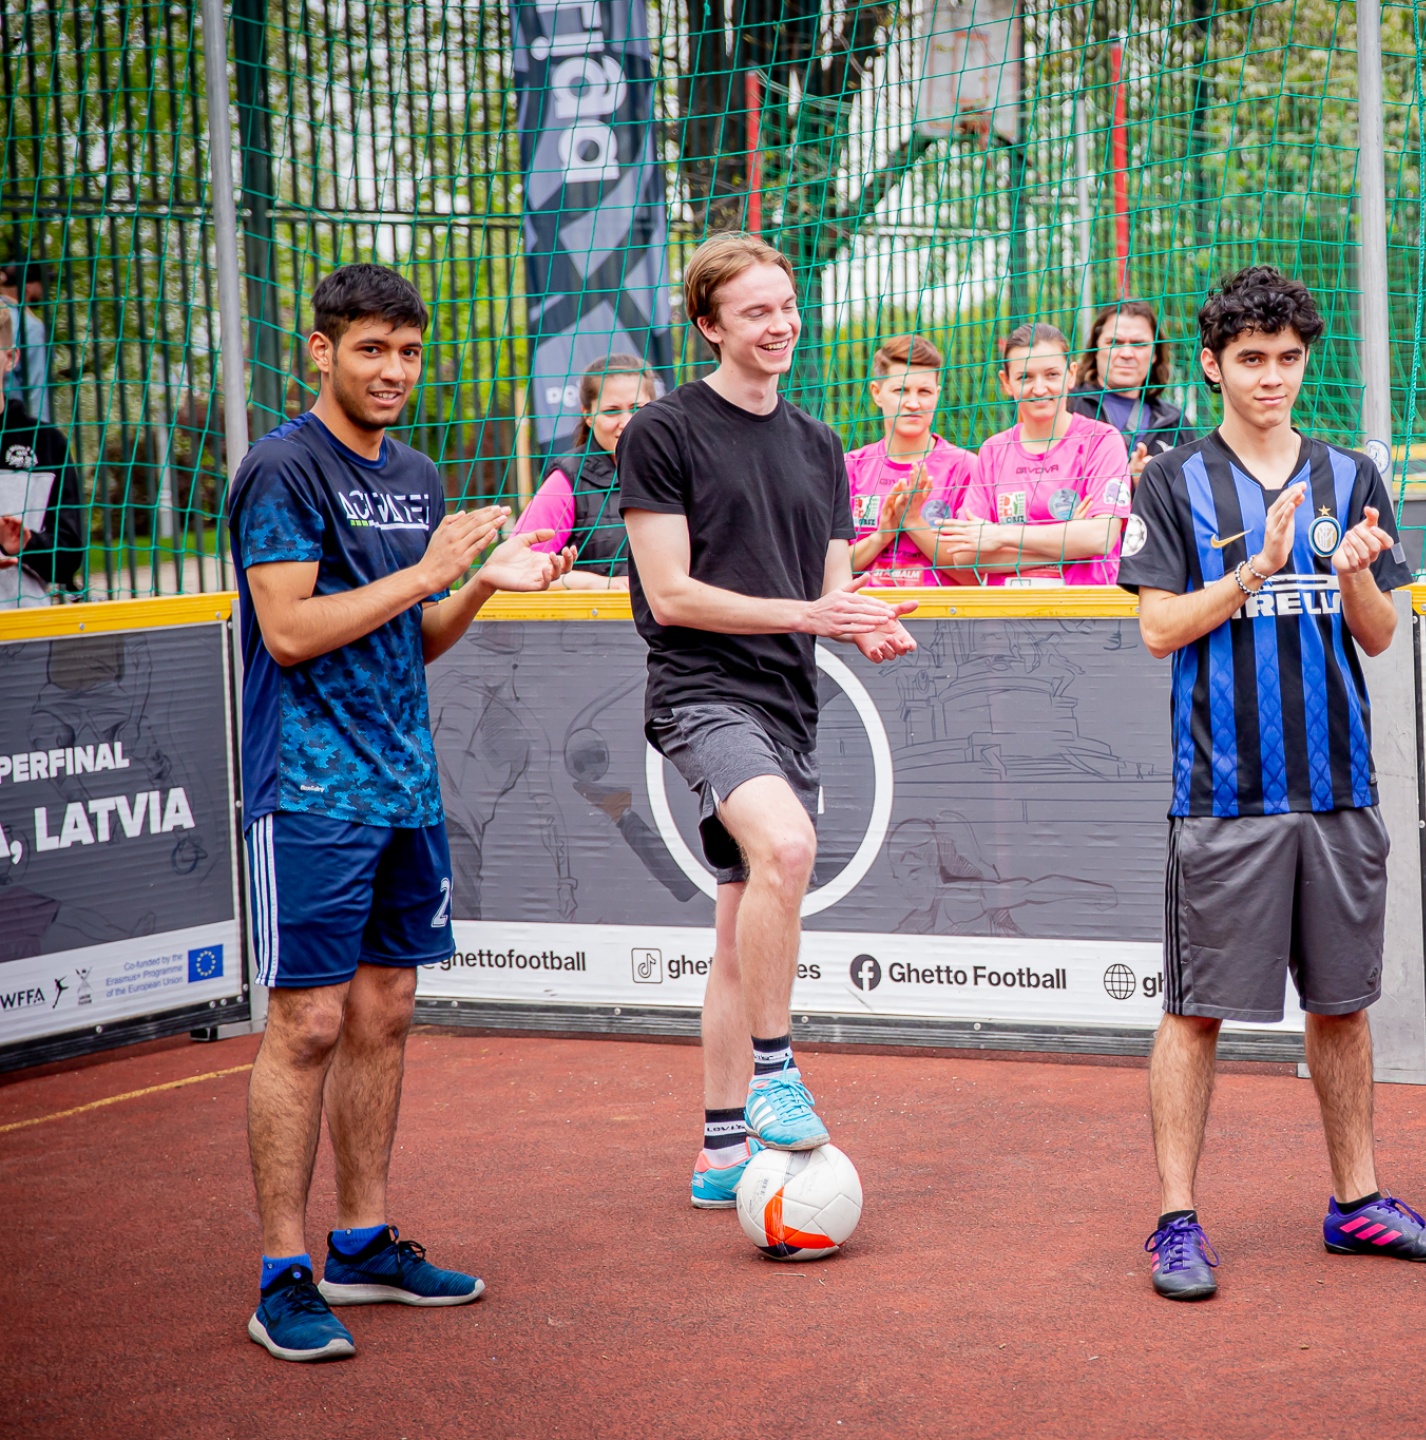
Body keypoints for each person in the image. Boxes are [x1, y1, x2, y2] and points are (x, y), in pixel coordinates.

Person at [229, 263, 572, 1362]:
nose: (392, 371)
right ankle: (282, 1274)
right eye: (371, 349)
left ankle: (362, 1244)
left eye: (408, 352)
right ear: (321, 351)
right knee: (308, 1024)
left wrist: (481, 582)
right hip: (310, 790)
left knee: (385, 1011)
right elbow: (289, 632)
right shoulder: (282, 468)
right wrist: (430, 569)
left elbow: (412, 638)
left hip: (404, 785)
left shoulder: (416, 474)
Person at [1117, 264, 1426, 1303]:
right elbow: (1156, 630)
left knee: (1342, 1006)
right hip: (1221, 794)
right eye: (1250, 360)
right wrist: (1252, 572)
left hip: (1337, 786)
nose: (1271, 378)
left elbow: (1378, 632)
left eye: (1286, 359)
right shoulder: (1170, 480)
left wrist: (1351, 571)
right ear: (1212, 366)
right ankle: (1176, 1221)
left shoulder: (1350, 475)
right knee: (1195, 1013)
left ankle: (1356, 1202)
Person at [616, 233, 916, 1214]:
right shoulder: (661, 431)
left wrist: (859, 618)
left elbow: (826, 586)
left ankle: (717, 1148)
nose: (779, 324)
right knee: (786, 845)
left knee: (738, 928)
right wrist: (813, 614)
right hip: (701, 693)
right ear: (709, 325)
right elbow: (670, 593)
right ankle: (776, 1075)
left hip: (789, 701)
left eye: (786, 306)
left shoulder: (819, 444)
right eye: (755, 311)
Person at [931, 323, 1133, 586]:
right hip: (1009, 608)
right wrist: (1070, 541)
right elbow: (964, 555)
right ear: (1006, 382)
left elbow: (1100, 538)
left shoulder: (1102, 440)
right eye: (1025, 377)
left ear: (1071, 375)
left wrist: (1000, 536)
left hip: (1084, 607)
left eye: (1051, 375)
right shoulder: (993, 450)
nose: (1039, 388)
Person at [844, 333, 981, 587]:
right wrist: (883, 534)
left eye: (924, 391)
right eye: (901, 390)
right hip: (866, 609)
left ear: (937, 395)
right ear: (877, 393)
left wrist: (913, 521)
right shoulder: (850, 467)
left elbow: (976, 575)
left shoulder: (966, 467)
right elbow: (826, 571)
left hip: (942, 611)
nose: (914, 403)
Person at [511, 353, 654, 590]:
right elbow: (515, 569)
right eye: (611, 411)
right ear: (588, 414)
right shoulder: (567, 479)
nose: (627, 422)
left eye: (637, 408)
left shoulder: (679, 470)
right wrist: (597, 584)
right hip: (598, 613)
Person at [0, 302, 83, 606]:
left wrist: (27, 543)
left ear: (11, 358)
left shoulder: (47, 444)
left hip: (25, 619)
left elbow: (69, 555)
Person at [1068, 299, 1200, 472]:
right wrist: (1126, 479)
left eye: (1139, 344)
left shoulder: (1175, 423)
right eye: (1115, 342)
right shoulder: (1068, 407)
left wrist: (1150, 482)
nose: (1126, 353)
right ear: (1095, 348)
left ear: (1155, 354)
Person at [0, 262, 51, 424]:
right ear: (27, 288)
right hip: (12, 425)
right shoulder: (30, 326)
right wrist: (41, 431)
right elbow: (37, 387)